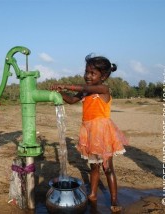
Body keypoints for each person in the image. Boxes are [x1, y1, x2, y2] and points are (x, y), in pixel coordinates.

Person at [50, 54, 128, 212]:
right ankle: (92, 194)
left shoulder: (103, 89)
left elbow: (85, 88)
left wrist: (65, 85)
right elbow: (72, 100)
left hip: (103, 132)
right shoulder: (86, 93)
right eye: (86, 72)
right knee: (93, 166)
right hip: (89, 132)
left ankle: (114, 199)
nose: (87, 76)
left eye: (93, 73)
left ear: (104, 76)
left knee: (107, 167)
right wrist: (58, 94)